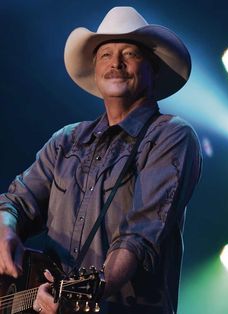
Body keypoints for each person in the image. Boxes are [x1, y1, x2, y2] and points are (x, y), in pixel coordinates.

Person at [0, 6, 202, 314]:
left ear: (153, 68)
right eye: (106, 54)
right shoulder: (66, 141)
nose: (116, 63)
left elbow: (139, 234)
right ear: (95, 67)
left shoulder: (170, 136)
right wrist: (6, 229)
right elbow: (14, 202)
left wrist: (91, 290)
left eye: (130, 53)